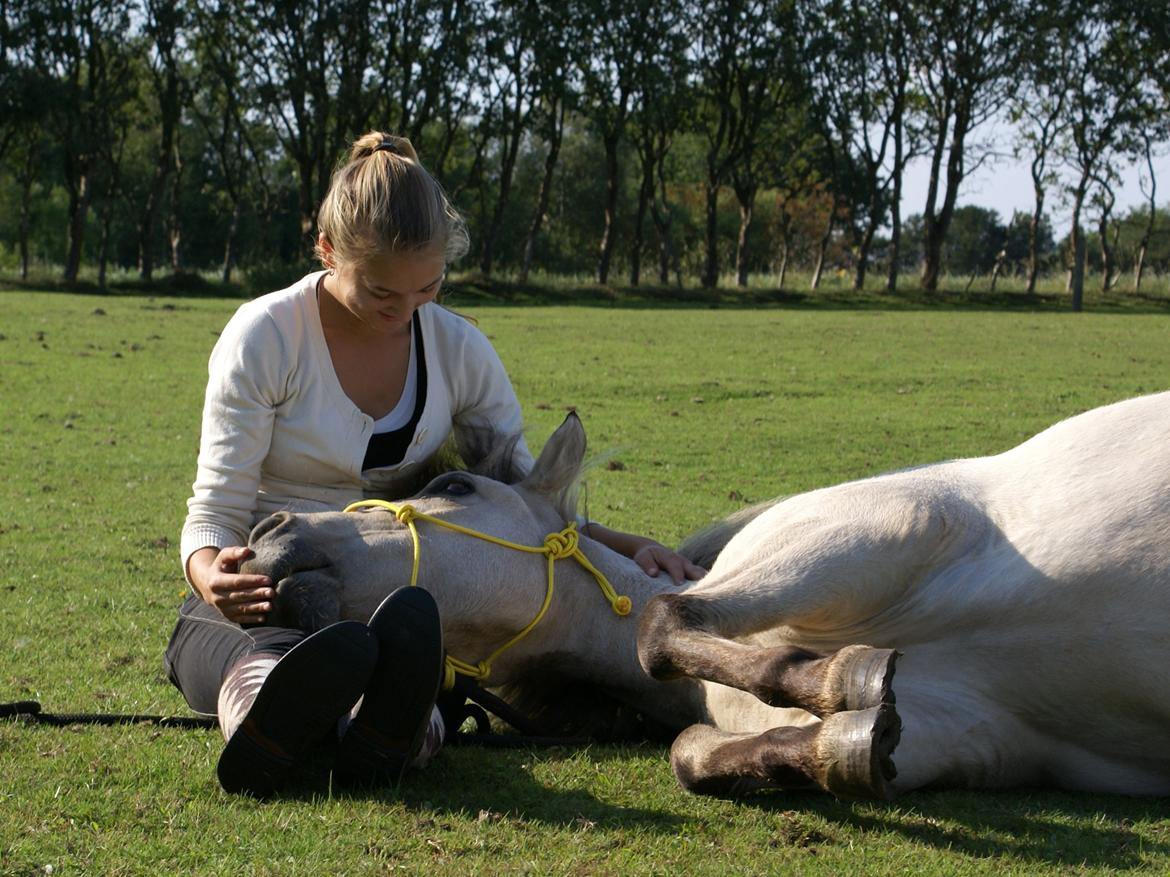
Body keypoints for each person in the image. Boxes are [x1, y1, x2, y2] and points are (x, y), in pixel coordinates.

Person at [163, 131, 705, 797]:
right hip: (267, 585)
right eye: (381, 293)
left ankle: (388, 730)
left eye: (428, 288)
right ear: (327, 251)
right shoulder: (266, 337)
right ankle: (273, 716)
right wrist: (208, 572)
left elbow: (520, 501)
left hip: (397, 595)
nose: (405, 312)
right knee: (268, 648)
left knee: (428, 651)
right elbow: (214, 508)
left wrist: (625, 546)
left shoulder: (460, 350)